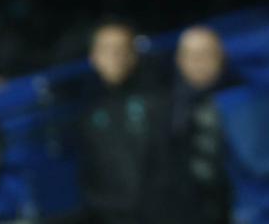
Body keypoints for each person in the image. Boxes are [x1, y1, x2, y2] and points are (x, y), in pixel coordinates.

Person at [78, 21, 170, 224]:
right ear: (93, 57)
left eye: (121, 50)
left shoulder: (158, 102)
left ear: (133, 55)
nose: (114, 57)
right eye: (107, 50)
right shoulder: (87, 111)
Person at [167, 26, 234, 224]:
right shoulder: (164, 111)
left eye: (206, 54)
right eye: (191, 55)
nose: (198, 62)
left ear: (222, 56)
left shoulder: (244, 101)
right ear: (179, 60)